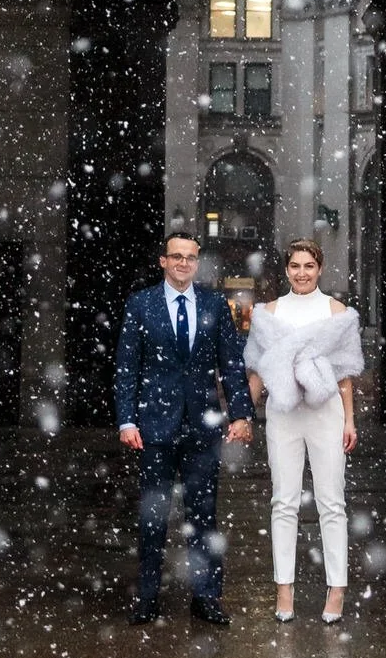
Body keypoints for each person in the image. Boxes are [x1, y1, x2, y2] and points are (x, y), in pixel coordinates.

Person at [114, 229, 253, 625]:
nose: (183, 264)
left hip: (202, 426)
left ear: (197, 262)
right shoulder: (141, 305)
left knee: (204, 516)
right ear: (163, 261)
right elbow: (127, 367)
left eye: (190, 258)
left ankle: (206, 597)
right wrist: (127, 419)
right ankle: (147, 597)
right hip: (153, 427)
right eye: (176, 257)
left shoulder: (214, 304)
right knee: (154, 515)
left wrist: (240, 414)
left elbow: (232, 364)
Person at [244, 238, 364, 624]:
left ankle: (337, 588)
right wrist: (244, 415)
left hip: (326, 413)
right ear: (286, 269)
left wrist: (349, 419)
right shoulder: (269, 313)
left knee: (332, 502)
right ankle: (284, 587)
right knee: (284, 502)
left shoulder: (337, 312)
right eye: (295, 266)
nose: (301, 273)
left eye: (308, 266)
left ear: (320, 268)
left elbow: (345, 373)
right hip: (283, 414)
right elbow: (258, 371)